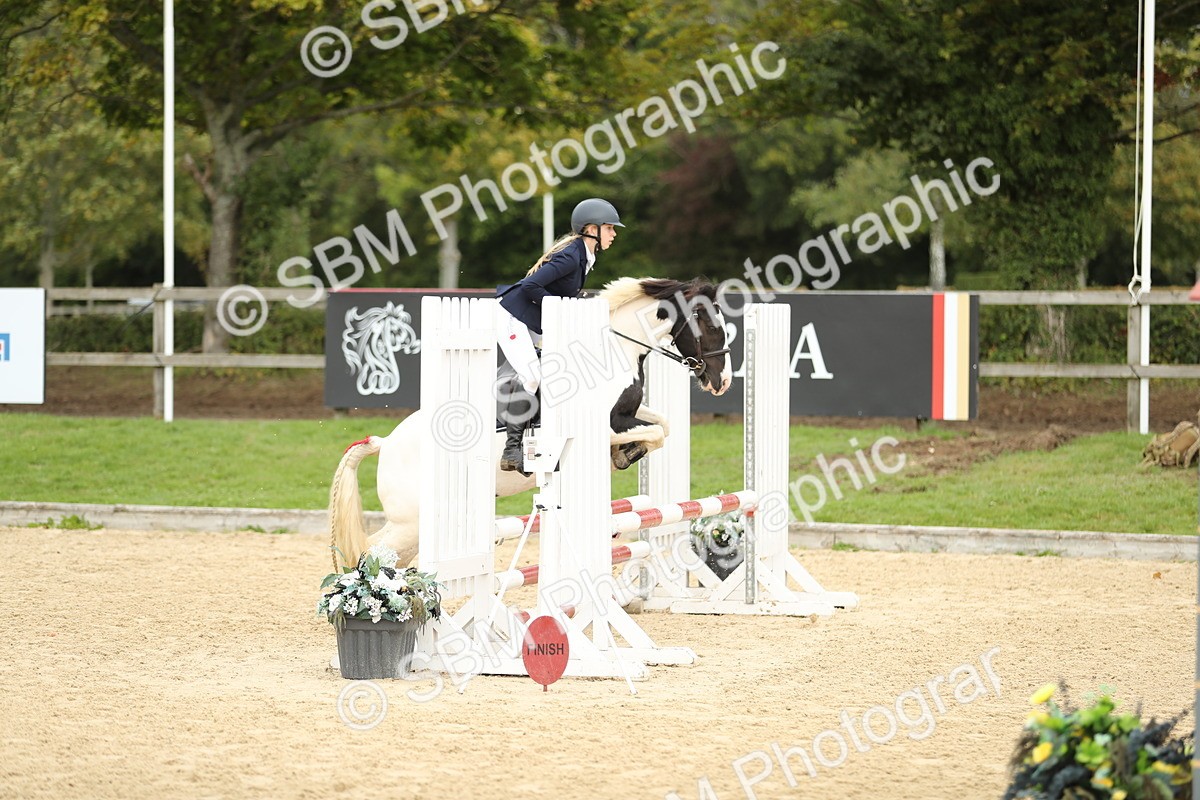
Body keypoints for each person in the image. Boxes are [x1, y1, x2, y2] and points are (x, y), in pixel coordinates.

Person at [495, 197, 624, 471]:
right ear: (592, 228)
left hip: (527, 319)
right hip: (512, 317)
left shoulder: (583, 256)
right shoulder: (570, 256)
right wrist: (559, 309)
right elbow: (531, 286)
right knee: (531, 377)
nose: (614, 234)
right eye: (610, 228)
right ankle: (511, 450)